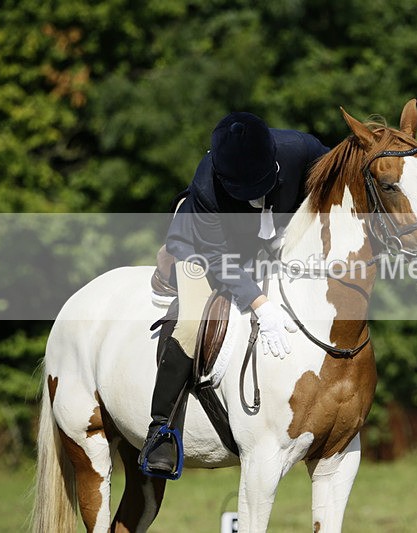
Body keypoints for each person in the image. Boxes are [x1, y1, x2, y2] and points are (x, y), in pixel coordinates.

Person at [139, 111, 329, 476]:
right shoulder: (207, 185)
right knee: (193, 323)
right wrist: (261, 305)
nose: (254, 193)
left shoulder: (300, 148)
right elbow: (219, 260)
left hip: (266, 244)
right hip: (202, 248)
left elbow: (341, 171)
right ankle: (161, 430)